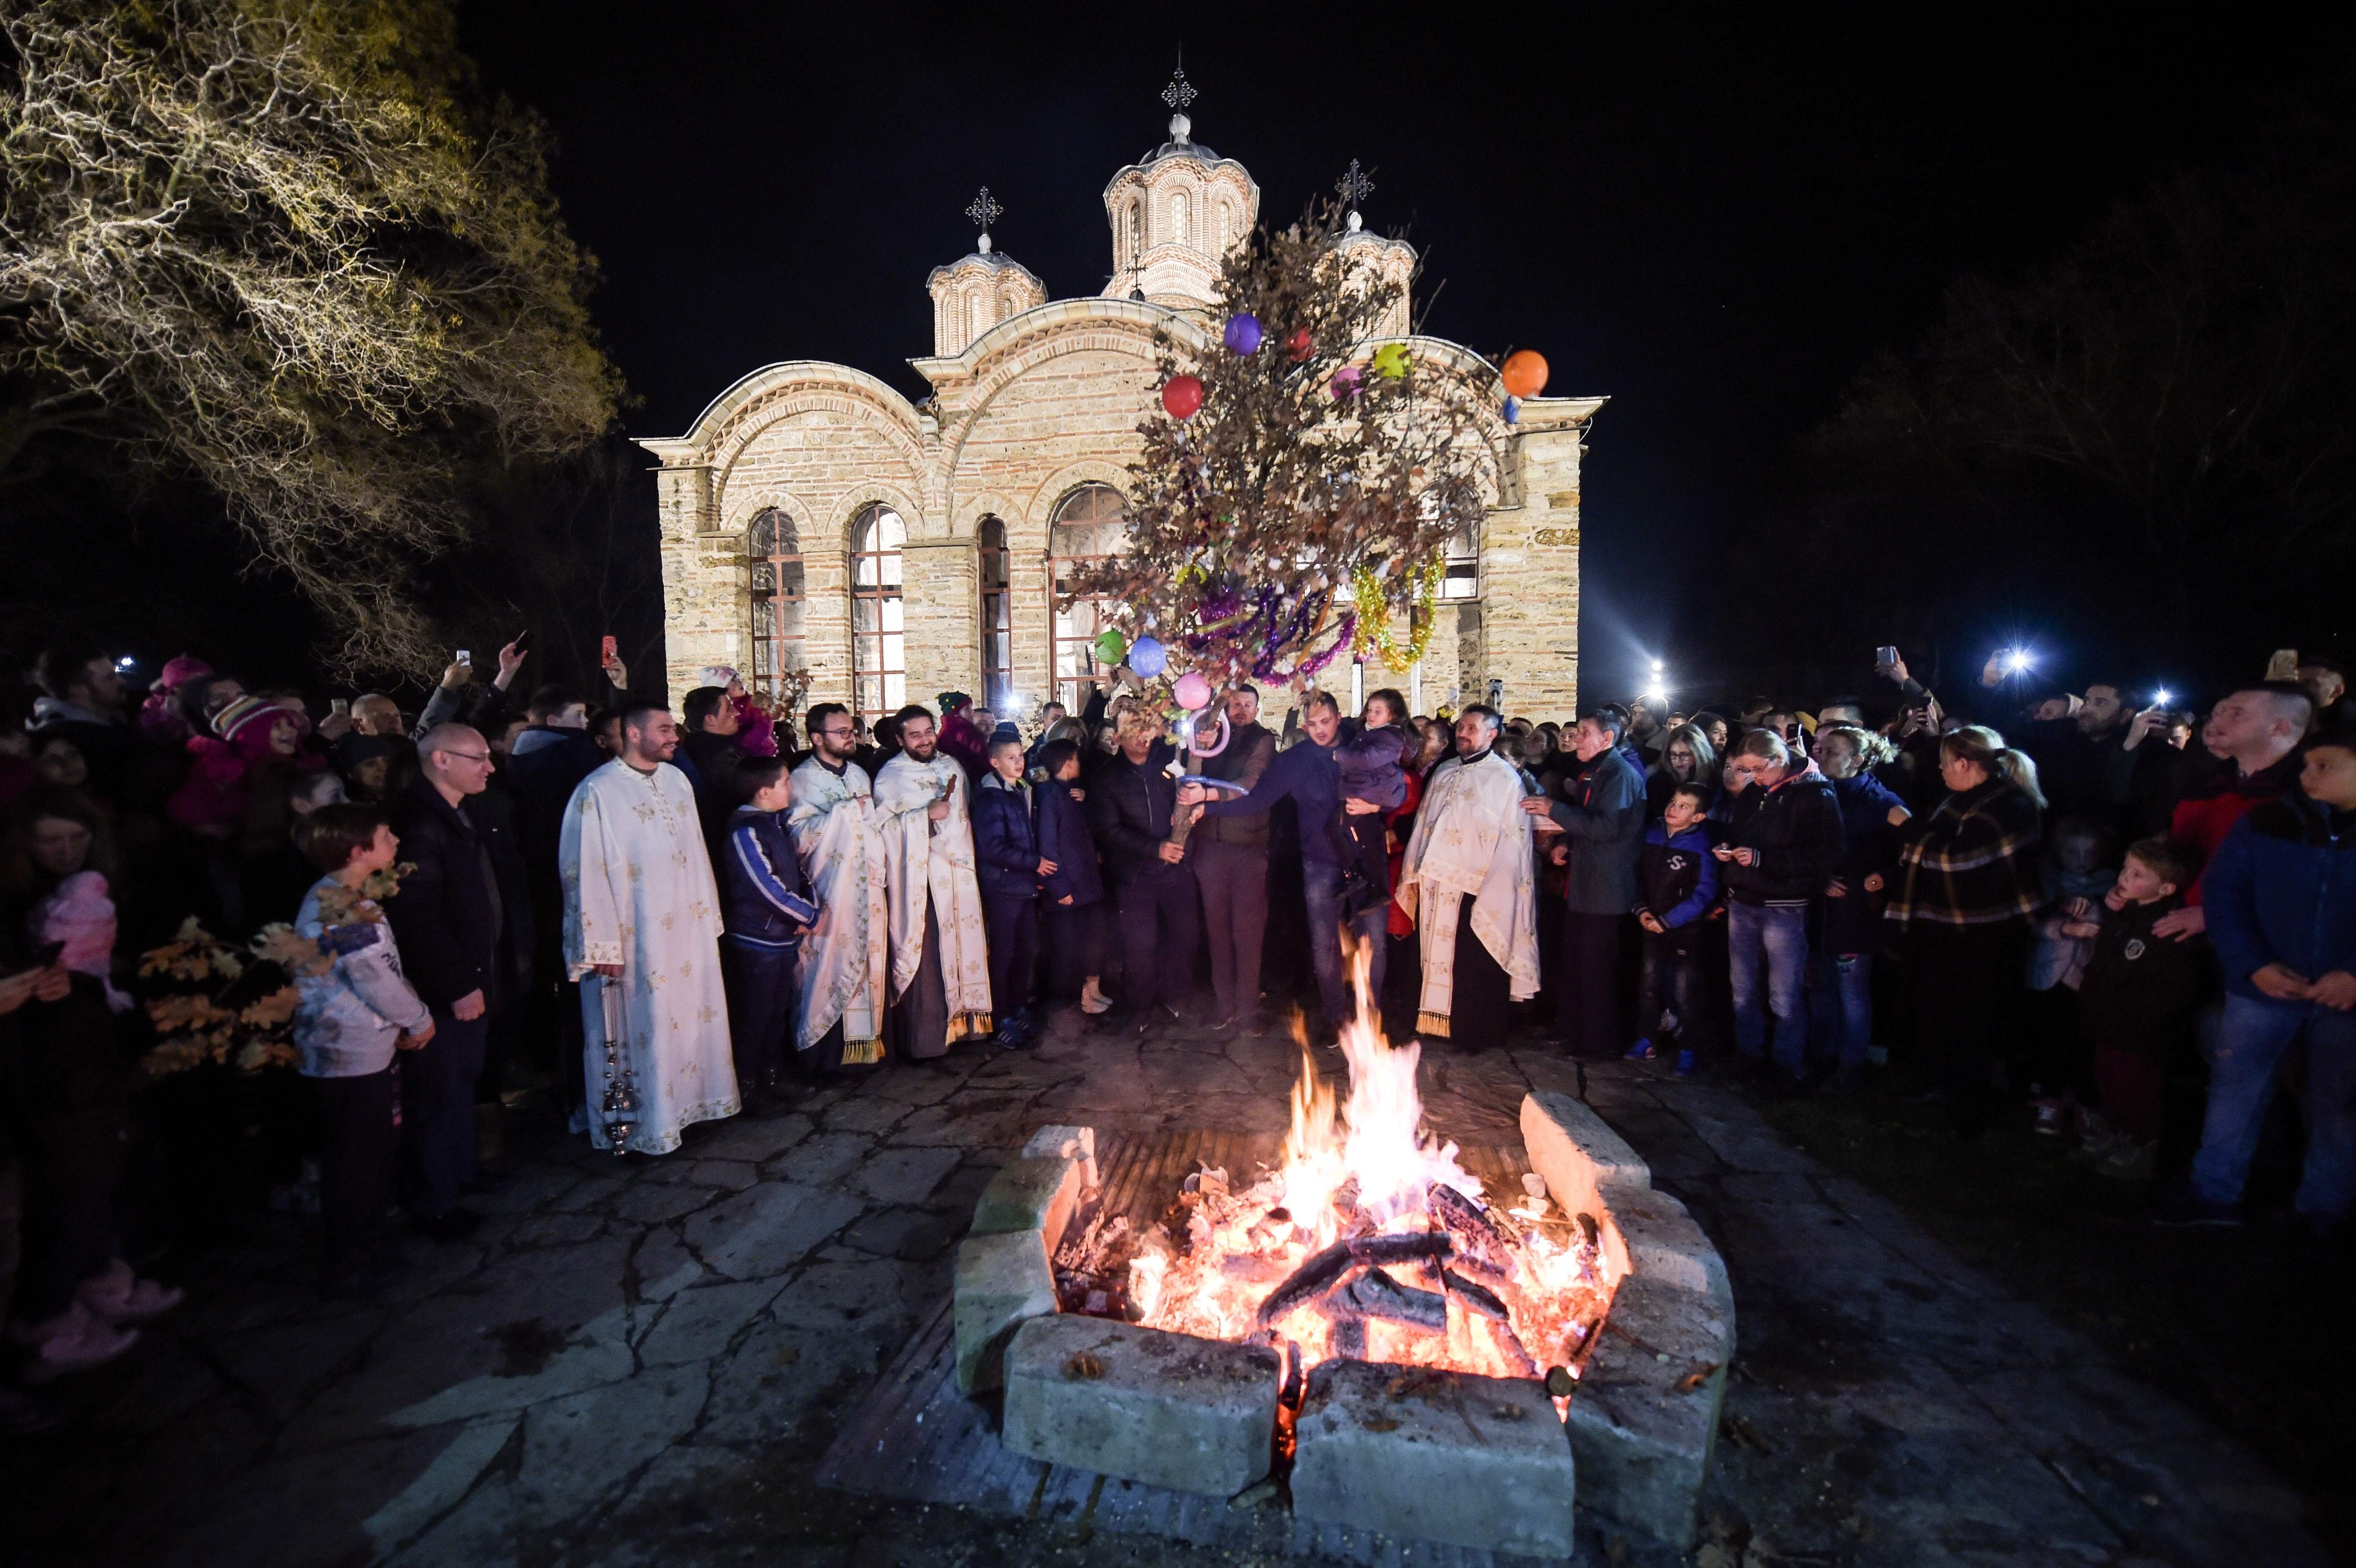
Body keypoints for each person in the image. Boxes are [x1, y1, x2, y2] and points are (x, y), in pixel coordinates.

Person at [2161, 735, 2356, 1233]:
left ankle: (2325, 1206)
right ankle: (2213, 1193)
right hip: (2262, 988)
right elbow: (2224, 896)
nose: (2305, 774)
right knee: (2235, 1090)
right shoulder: (2266, 821)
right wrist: (2253, 965)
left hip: (2345, 998)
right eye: (2306, 763)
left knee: (2337, 1101)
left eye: (2323, 764)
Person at [560, 702, 739, 1153]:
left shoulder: (677, 780)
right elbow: (583, 869)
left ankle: (693, 1108)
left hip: (686, 927)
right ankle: (641, 1129)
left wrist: (707, 915)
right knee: (644, 1025)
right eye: (664, 729)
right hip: (636, 935)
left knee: (692, 1018)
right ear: (633, 734)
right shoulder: (597, 791)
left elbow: (697, 851)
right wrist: (600, 944)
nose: (674, 736)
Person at [286, 804, 436, 1291]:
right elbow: (372, 976)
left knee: (371, 1149)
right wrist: (416, 1017)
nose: (394, 839)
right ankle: (350, 1255)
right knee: (355, 1154)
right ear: (357, 851)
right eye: (385, 834)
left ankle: (367, 1238)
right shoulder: (340, 908)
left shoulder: (349, 898)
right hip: (345, 1049)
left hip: (364, 1042)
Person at [383, 725, 519, 1232]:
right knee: (438, 1091)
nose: (490, 766)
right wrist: (457, 985)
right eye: (478, 758)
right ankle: (434, 1199)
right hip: (449, 987)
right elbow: (419, 919)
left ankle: (458, 1174)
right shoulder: (419, 822)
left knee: (461, 1082)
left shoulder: (458, 811)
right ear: (440, 759)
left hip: (475, 974)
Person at [1885, 726, 2046, 1135]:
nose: (1940, 772)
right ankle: (1939, 1083)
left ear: (1963, 763)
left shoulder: (2007, 805)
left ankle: (1969, 1107)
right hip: (1944, 927)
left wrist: (1908, 829)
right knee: (1938, 1013)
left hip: (1987, 934)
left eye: (1943, 764)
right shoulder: (1961, 799)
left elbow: (1961, 862)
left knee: (1975, 1022)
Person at [1185, 691, 1377, 1034]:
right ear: (1304, 726)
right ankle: (1338, 1019)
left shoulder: (1361, 746)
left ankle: (1370, 1018)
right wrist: (1209, 806)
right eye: (1313, 724)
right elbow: (1255, 799)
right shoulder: (1295, 760)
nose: (1320, 730)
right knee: (1325, 945)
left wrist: (1379, 808)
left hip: (1367, 857)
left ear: (1338, 719)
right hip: (1320, 861)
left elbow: (1396, 786)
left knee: (1372, 942)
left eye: (1326, 722)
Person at [1397, 706, 1542, 1047]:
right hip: (1435, 884)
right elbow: (1424, 827)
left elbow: (1514, 841)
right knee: (1430, 955)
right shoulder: (1445, 772)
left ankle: (1472, 1033)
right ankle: (1430, 1024)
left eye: (1472, 728)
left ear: (1491, 735)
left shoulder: (1505, 779)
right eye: (1461, 727)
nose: (1463, 732)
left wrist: (1495, 885)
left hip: (1476, 888)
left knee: (1471, 962)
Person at [1715, 730, 1845, 1090]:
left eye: (1758, 769)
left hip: (1785, 906)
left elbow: (1826, 854)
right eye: (1747, 770)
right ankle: (1748, 1056)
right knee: (1742, 988)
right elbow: (1742, 831)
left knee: (1784, 994)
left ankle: (1785, 1067)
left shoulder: (1816, 794)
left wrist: (1762, 859)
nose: (1754, 777)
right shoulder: (1757, 792)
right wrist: (1731, 849)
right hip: (1745, 900)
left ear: (1779, 760)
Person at [2072, 837, 2207, 1182]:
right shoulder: (2124, 915)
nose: (2124, 878)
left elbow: (2172, 991)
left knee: (2138, 1091)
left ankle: (2141, 1148)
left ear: (2165, 888)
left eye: (2137, 874)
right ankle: (2117, 1135)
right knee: (2110, 1082)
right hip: (2107, 1024)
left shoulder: (2169, 930)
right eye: (2125, 869)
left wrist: (2138, 1019)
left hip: (2140, 1035)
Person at [872, 707, 993, 1059]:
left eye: (928, 732)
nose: (925, 740)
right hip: (921, 881)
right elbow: (881, 832)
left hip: (959, 874)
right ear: (900, 740)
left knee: (964, 947)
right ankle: (929, 1041)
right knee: (929, 958)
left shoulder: (951, 766)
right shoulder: (891, 778)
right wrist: (923, 816)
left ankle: (968, 1027)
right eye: (915, 735)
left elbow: (966, 816)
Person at [1526, 710, 1647, 1058]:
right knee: (1578, 963)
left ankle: (1598, 1043)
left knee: (1598, 969)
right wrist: (1568, 842)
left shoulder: (1618, 775)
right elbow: (1589, 825)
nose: (1576, 739)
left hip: (1608, 889)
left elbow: (1608, 827)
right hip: (1587, 885)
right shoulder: (1595, 771)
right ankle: (1573, 1032)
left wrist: (1554, 809)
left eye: (1584, 732)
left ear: (1607, 739)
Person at [2153, 684, 2313, 942]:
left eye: (2237, 714)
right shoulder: (2206, 783)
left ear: (2279, 728)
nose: (2219, 718)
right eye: (2222, 710)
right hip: (2181, 928)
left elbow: (2309, 885)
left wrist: (2217, 914)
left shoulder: (2311, 795)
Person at [786, 703, 892, 1073]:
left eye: (852, 731)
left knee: (870, 966)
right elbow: (797, 838)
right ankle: (825, 1059)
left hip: (869, 887)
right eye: (842, 733)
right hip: (832, 890)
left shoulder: (861, 774)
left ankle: (866, 1051)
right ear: (817, 738)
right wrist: (846, 812)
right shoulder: (801, 781)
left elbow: (875, 827)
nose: (852, 738)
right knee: (828, 968)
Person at [1811, 725, 1909, 1092]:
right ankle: (1824, 1057)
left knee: (1852, 992)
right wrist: (1817, 878)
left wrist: (1884, 877)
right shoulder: (1816, 792)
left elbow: (1914, 848)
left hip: (1855, 915)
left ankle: (1851, 1066)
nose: (1821, 756)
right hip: (1819, 910)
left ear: (1858, 760)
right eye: (1821, 749)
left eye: (1832, 751)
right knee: (1821, 988)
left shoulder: (1881, 803)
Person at [1093, 708, 1200, 1032]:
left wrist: (1188, 813)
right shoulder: (1106, 778)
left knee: (1186, 936)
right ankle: (1140, 1007)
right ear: (1117, 738)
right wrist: (1154, 849)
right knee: (1140, 944)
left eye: (1145, 731)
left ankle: (1176, 997)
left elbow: (1188, 790)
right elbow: (1109, 831)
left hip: (1176, 869)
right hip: (1135, 873)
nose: (1141, 739)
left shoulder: (1167, 762)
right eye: (1132, 732)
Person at [718, 755, 815, 1108]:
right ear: (763, 792)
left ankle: (773, 1075)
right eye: (786, 782)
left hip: (781, 938)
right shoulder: (746, 831)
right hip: (758, 939)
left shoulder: (774, 824)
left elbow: (798, 873)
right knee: (755, 1014)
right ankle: (747, 1086)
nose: (792, 788)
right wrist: (805, 914)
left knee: (776, 1011)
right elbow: (764, 886)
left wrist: (810, 908)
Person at [1188, 685, 1277, 1034]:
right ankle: (1225, 1007)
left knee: (1248, 934)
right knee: (1218, 933)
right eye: (1235, 704)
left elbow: (1249, 783)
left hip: (1248, 850)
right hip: (1211, 848)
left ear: (1257, 709)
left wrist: (1208, 796)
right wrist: (1202, 748)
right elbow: (1190, 769)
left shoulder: (1263, 741)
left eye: (1247, 705)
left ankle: (1248, 1010)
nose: (1240, 710)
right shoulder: (1212, 736)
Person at [1626, 783, 1720, 1077]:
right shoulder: (1652, 834)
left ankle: (1690, 1048)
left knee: (1685, 991)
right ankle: (1648, 1038)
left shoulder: (1702, 847)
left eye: (1684, 806)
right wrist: (1640, 909)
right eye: (1673, 801)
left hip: (1685, 930)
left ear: (1699, 817)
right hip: (1651, 925)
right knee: (1649, 985)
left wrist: (1668, 921)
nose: (1673, 809)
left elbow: (1703, 895)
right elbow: (1636, 875)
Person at [971, 732, 1044, 1045]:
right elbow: (992, 848)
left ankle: (1017, 1009)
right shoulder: (990, 798)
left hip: (1024, 886)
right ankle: (1000, 1017)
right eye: (1011, 758)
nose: (1019, 763)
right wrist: (1034, 862)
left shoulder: (1021, 790)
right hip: (1004, 887)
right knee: (1003, 955)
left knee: (1024, 952)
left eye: (1021, 756)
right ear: (995, 762)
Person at [1033, 737, 1109, 1014]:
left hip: (1082, 884)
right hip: (1068, 888)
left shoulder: (1068, 794)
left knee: (1081, 944)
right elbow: (1049, 845)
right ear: (1066, 763)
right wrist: (1060, 887)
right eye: (1076, 759)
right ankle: (1062, 1010)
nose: (1080, 763)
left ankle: (1080, 1001)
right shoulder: (1051, 797)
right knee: (1065, 951)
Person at [1336, 689, 1413, 917]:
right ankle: (1370, 885)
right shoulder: (1369, 733)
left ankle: (1360, 877)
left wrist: (1340, 756)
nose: (1371, 715)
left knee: (1340, 830)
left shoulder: (1389, 738)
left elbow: (1367, 760)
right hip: (1366, 790)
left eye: (1378, 711)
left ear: (1392, 715)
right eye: (1369, 710)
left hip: (1373, 790)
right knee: (1366, 839)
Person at [679, 685, 745, 846]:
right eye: (729, 709)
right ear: (710, 720)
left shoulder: (699, 744)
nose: (736, 713)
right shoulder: (718, 756)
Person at [1645, 723, 1716, 817]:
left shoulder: (1713, 782)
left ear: (1699, 754)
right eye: (1673, 754)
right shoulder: (1657, 781)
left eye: (1685, 755)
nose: (1678, 761)